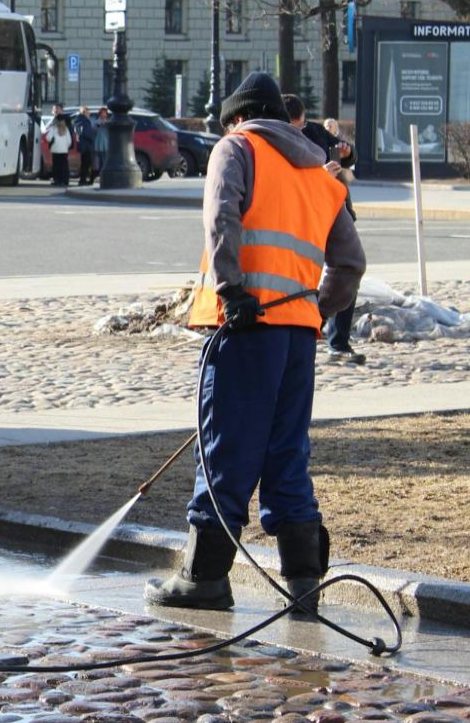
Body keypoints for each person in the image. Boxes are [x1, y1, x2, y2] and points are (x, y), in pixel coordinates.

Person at [144, 72, 366, 617]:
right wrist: (317, 307)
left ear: (238, 118)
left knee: (225, 449)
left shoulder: (236, 148)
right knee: (286, 455)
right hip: (297, 336)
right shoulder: (320, 174)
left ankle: (204, 578)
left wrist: (232, 291)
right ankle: (304, 586)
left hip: (244, 327)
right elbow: (350, 263)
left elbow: (221, 219)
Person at [283, 94, 365, 365]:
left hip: (336, 210)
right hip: (303, 217)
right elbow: (290, 183)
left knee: (349, 268)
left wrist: (345, 152)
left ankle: (337, 339)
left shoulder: (314, 131)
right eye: (295, 126)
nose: (301, 130)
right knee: (299, 276)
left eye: (303, 124)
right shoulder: (277, 141)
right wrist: (321, 176)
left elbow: (348, 155)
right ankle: (299, 330)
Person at [44, 104, 73, 186]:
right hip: (64, 150)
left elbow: (48, 138)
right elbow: (69, 141)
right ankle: (65, 180)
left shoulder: (53, 128)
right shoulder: (66, 129)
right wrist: (66, 147)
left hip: (55, 149)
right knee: (64, 165)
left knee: (56, 166)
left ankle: (57, 180)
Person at [74, 106, 96, 185]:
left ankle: (83, 179)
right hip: (86, 145)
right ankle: (83, 180)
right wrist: (92, 136)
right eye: (88, 112)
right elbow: (86, 133)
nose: (89, 114)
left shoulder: (79, 120)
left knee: (85, 163)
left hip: (83, 145)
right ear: (84, 112)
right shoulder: (83, 121)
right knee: (86, 163)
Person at [94, 106, 110, 178]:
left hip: (106, 142)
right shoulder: (97, 121)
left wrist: (106, 124)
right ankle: (99, 172)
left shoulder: (109, 121)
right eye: (102, 113)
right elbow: (93, 129)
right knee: (98, 158)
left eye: (105, 113)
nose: (103, 115)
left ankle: (105, 172)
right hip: (99, 142)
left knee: (105, 158)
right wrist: (99, 124)